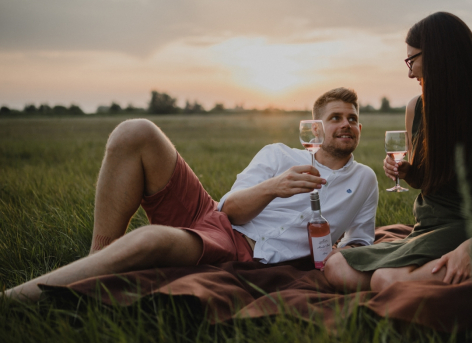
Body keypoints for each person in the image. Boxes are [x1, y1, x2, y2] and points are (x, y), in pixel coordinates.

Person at [5, 87, 379, 302]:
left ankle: (16, 300)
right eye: (335, 118)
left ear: (359, 128)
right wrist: (274, 187)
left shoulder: (365, 180)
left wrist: (336, 254)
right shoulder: (279, 155)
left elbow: (360, 240)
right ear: (316, 127)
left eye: (352, 118)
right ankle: (98, 258)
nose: (346, 124)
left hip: (241, 249)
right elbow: (230, 209)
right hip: (216, 220)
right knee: (136, 131)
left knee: (150, 240)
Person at [324, 12, 472, 291]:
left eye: (411, 59)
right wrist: (406, 171)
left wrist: (466, 251)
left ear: (438, 56)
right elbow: (422, 181)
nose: (409, 71)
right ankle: (435, 273)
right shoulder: (416, 108)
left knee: (385, 280)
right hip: (426, 228)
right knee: (337, 267)